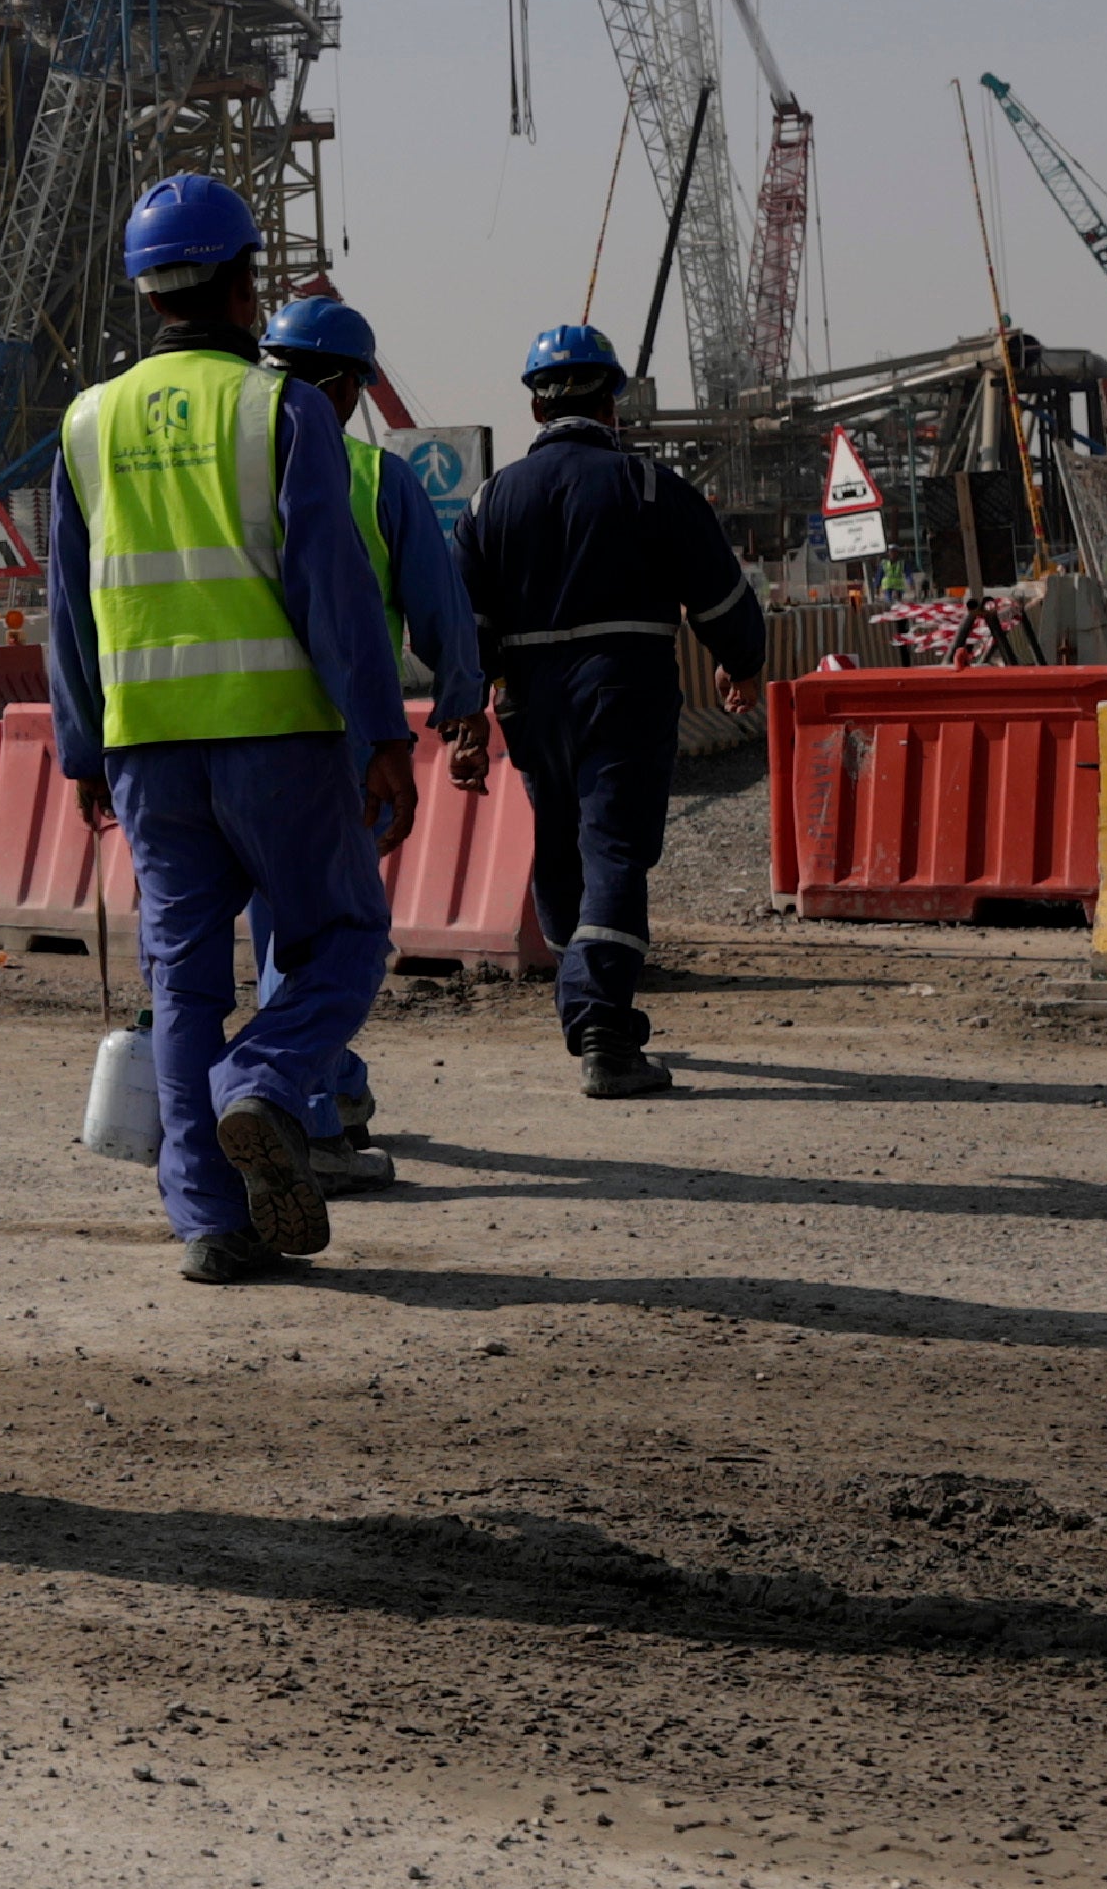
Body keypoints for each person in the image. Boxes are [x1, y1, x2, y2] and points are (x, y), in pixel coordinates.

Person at [44, 180, 420, 1286]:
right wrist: (380, 730)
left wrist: (80, 750)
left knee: (186, 979)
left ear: (146, 290)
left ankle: (211, 1223)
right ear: (247, 282)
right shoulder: (281, 409)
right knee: (340, 941)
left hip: (147, 749)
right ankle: (261, 1083)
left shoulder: (85, 422)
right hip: (280, 740)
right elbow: (335, 593)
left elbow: (70, 603)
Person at [457, 324, 768, 1096]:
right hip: (622, 690)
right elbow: (721, 594)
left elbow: (464, 623)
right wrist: (742, 664)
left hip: (528, 699)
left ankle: (586, 986)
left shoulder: (491, 498)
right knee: (616, 851)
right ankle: (601, 1025)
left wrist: (469, 709)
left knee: (562, 845)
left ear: (535, 409)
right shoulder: (651, 487)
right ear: (614, 402)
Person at [250, 295, 493, 1190]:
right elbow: (440, 609)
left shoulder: (219, 462)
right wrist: (464, 705)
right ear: (350, 388)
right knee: (322, 935)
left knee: (273, 930)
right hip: (335, 737)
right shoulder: (372, 476)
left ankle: (334, 1088)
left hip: (207, 735)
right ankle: (303, 1119)